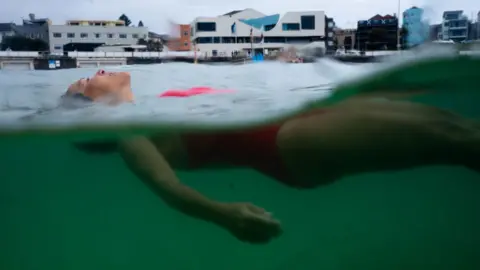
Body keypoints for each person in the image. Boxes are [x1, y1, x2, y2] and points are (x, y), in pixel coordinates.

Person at [64, 69, 480, 244]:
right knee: (458, 138)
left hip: (305, 121)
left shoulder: (152, 103)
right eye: (79, 87)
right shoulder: (125, 131)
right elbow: (167, 188)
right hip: (291, 143)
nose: (87, 77)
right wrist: (224, 214)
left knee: (461, 132)